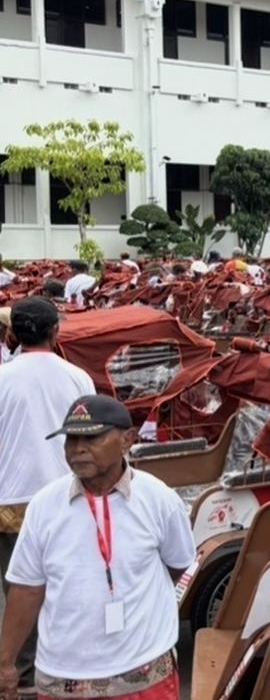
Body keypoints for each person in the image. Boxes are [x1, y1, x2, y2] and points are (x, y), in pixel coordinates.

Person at [0, 395, 194, 700]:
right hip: (63, 676)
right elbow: (27, 588)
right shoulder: (44, 506)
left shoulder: (159, 500)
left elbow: (177, 563)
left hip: (144, 675)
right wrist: (5, 663)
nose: (77, 449)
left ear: (127, 439)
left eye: (91, 437)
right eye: (70, 439)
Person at [0, 298, 96, 696]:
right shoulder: (79, 378)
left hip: (11, 503)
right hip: (68, 496)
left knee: (20, 591)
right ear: (56, 333)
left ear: (12, 335)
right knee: (66, 585)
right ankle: (66, 666)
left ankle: (23, 674)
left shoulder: (3, 378)